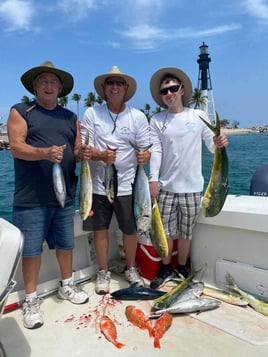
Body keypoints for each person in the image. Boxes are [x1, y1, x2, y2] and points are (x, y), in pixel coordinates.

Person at [7, 61, 89, 329]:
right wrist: (44, 153)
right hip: (31, 197)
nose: (49, 85)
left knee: (66, 245)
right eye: (44, 81)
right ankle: (30, 299)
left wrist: (83, 153)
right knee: (31, 252)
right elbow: (16, 148)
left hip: (64, 196)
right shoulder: (21, 111)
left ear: (61, 88)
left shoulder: (69, 117)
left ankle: (67, 284)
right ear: (35, 85)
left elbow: (76, 150)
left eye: (54, 82)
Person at [148, 67, 228, 289]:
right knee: (165, 232)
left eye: (173, 88)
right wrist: (152, 180)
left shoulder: (198, 116)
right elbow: (156, 151)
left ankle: (182, 267)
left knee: (186, 233)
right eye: (165, 91)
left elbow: (211, 147)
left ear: (182, 90)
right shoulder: (156, 120)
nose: (169, 93)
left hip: (192, 188)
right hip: (165, 188)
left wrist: (219, 143)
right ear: (161, 96)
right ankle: (165, 267)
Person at [80, 66, 151, 294]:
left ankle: (131, 268)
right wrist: (101, 155)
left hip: (130, 184)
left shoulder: (137, 116)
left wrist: (145, 155)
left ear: (126, 88)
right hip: (98, 185)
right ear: (104, 88)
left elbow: (146, 148)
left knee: (130, 230)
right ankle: (103, 272)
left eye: (119, 83)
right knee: (99, 230)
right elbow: (83, 148)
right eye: (110, 82)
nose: (115, 86)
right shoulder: (92, 113)